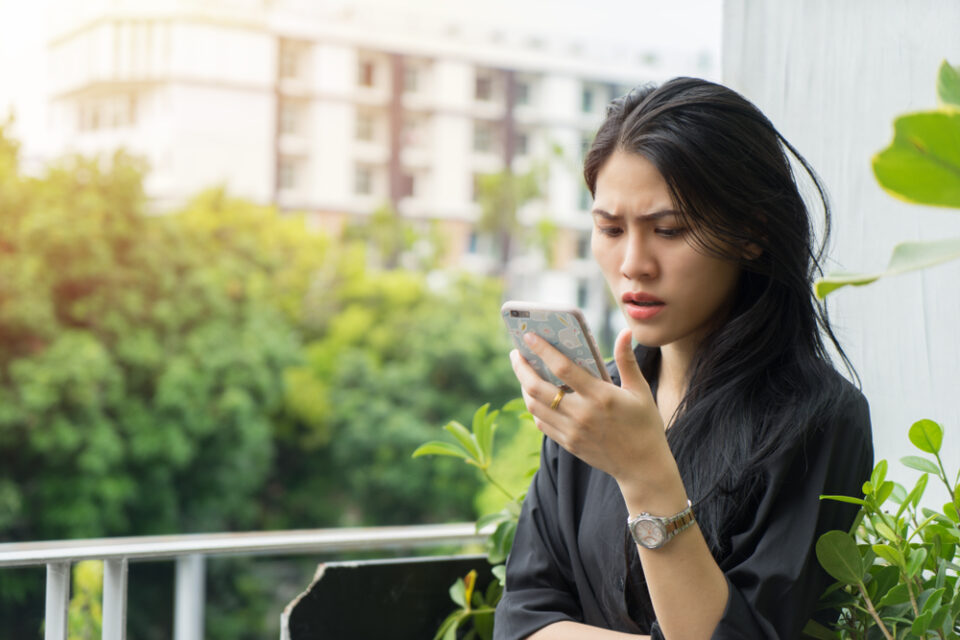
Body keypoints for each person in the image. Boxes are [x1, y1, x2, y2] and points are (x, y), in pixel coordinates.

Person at [494, 78, 874, 639]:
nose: (633, 263)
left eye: (669, 230)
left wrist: (644, 472)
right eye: (610, 229)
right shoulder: (596, 408)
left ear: (751, 235)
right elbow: (521, 619)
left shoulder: (817, 419)